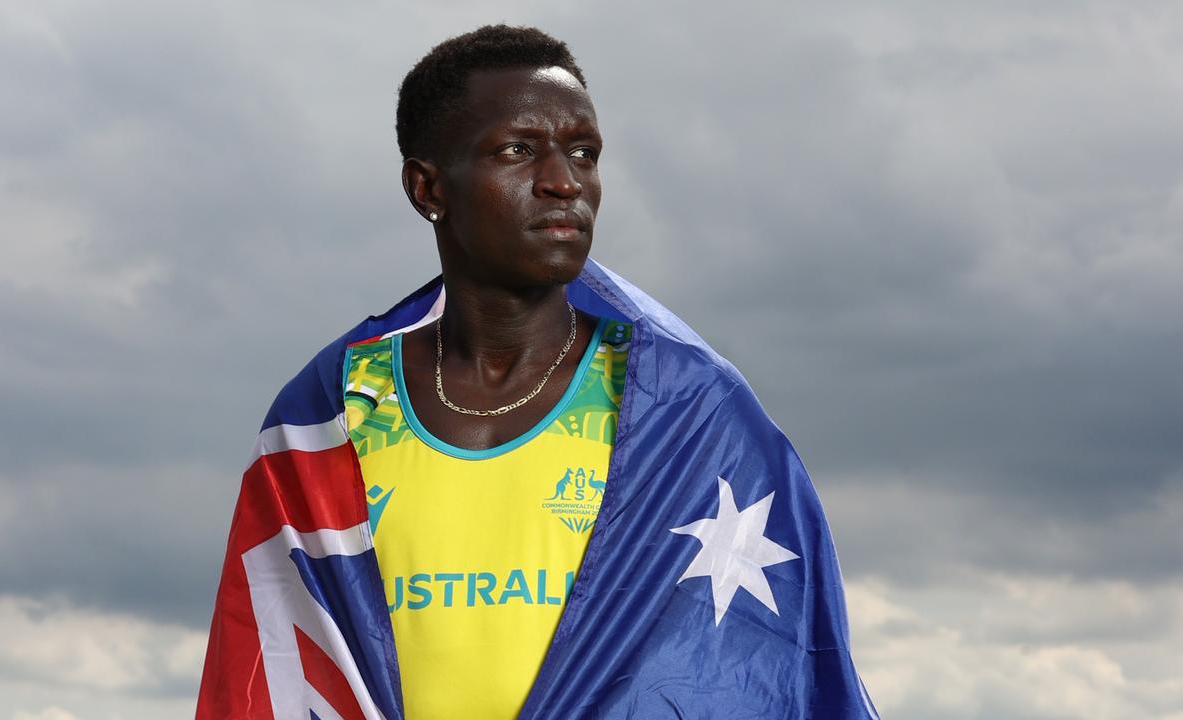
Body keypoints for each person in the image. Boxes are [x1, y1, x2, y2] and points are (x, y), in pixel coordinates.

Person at [197, 25, 877, 720]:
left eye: (583, 153)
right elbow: (269, 663)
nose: (564, 182)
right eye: (518, 150)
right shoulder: (334, 412)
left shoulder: (686, 411)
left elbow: (772, 671)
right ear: (428, 187)